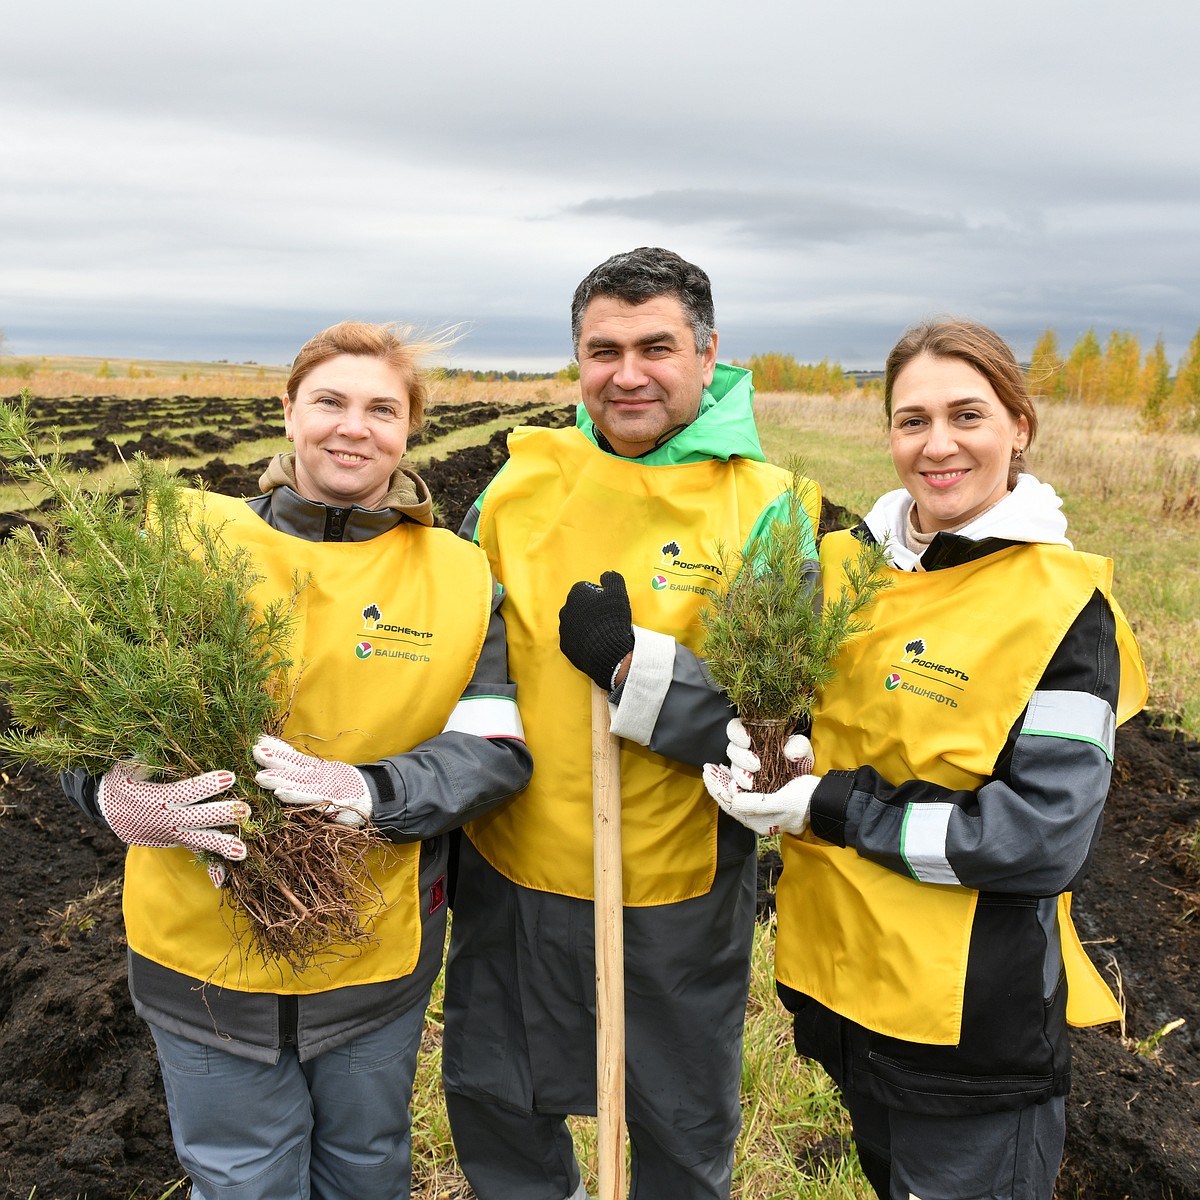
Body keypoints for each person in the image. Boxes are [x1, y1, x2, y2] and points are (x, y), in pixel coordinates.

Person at [61, 320, 532, 1200]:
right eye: (331, 401)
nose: (354, 427)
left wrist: (372, 790)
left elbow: (494, 749)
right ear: (288, 412)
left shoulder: (459, 577)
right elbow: (80, 719)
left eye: (382, 409)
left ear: (409, 429)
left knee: (366, 1169)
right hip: (200, 958)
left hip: (371, 953)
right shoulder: (184, 543)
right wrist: (111, 792)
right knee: (242, 1178)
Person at [703, 318, 1148, 1200]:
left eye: (967, 416)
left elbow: (1040, 839)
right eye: (912, 420)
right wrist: (763, 742)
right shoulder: (847, 570)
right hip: (844, 1003)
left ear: (1019, 425)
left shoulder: (1064, 609)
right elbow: (791, 694)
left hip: (967, 1035)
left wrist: (827, 805)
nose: (937, 445)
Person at [441, 246, 821, 1200]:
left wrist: (632, 668)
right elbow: (450, 652)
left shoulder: (766, 508)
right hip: (513, 863)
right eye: (602, 349)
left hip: (673, 880)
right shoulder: (517, 487)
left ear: (706, 352)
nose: (628, 373)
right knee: (497, 1093)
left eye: (656, 346)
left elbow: (773, 722)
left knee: (677, 1119)